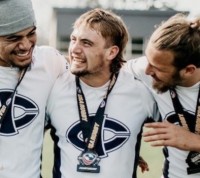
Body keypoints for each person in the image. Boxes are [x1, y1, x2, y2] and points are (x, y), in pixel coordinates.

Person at [46, 8, 159, 178]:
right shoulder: (53, 88)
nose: (74, 49)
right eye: (73, 40)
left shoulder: (140, 92)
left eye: (86, 43)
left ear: (111, 52)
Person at [126, 13, 200, 178]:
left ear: (188, 70)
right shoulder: (145, 68)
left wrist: (194, 141)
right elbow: (102, 74)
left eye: (157, 68)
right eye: (148, 60)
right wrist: (121, 149)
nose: (147, 71)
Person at [0, 0, 67, 178]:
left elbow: (93, 88)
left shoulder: (50, 61)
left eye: (31, 33)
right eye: (13, 38)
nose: (25, 45)